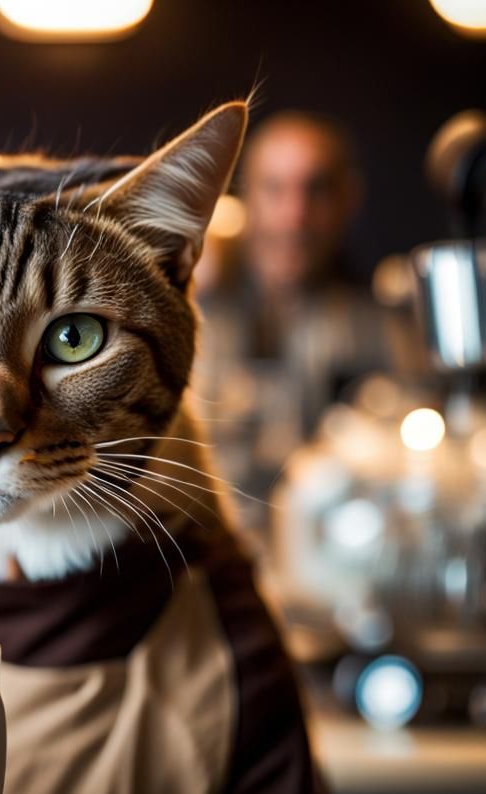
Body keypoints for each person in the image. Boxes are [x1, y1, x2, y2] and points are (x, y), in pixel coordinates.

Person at [193, 112, 389, 525]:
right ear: (246, 197)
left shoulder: (384, 329)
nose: (294, 216)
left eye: (316, 190)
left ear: (348, 199)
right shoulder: (195, 303)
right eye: (274, 189)